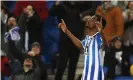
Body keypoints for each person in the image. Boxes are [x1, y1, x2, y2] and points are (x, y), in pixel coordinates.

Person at [58, 14, 106, 80]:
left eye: (92, 19)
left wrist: (101, 33)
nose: (89, 20)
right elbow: (81, 45)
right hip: (86, 75)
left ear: (98, 24)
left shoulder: (99, 38)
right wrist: (67, 31)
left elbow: (105, 47)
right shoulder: (88, 38)